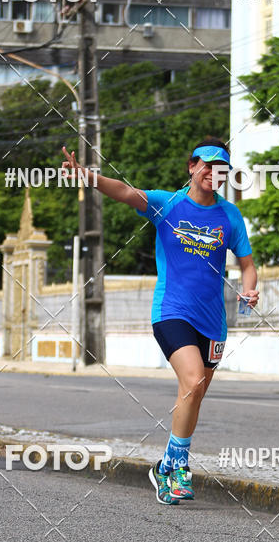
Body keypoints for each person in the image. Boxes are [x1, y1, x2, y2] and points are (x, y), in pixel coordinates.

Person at [61, 138, 258, 506]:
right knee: (193, 380)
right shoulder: (167, 204)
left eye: (221, 169)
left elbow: (247, 265)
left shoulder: (230, 216)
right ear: (192, 166)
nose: (213, 173)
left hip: (213, 321)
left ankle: (164, 466)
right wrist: (88, 176)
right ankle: (180, 466)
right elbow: (125, 192)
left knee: (194, 395)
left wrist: (249, 289)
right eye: (207, 165)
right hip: (172, 312)